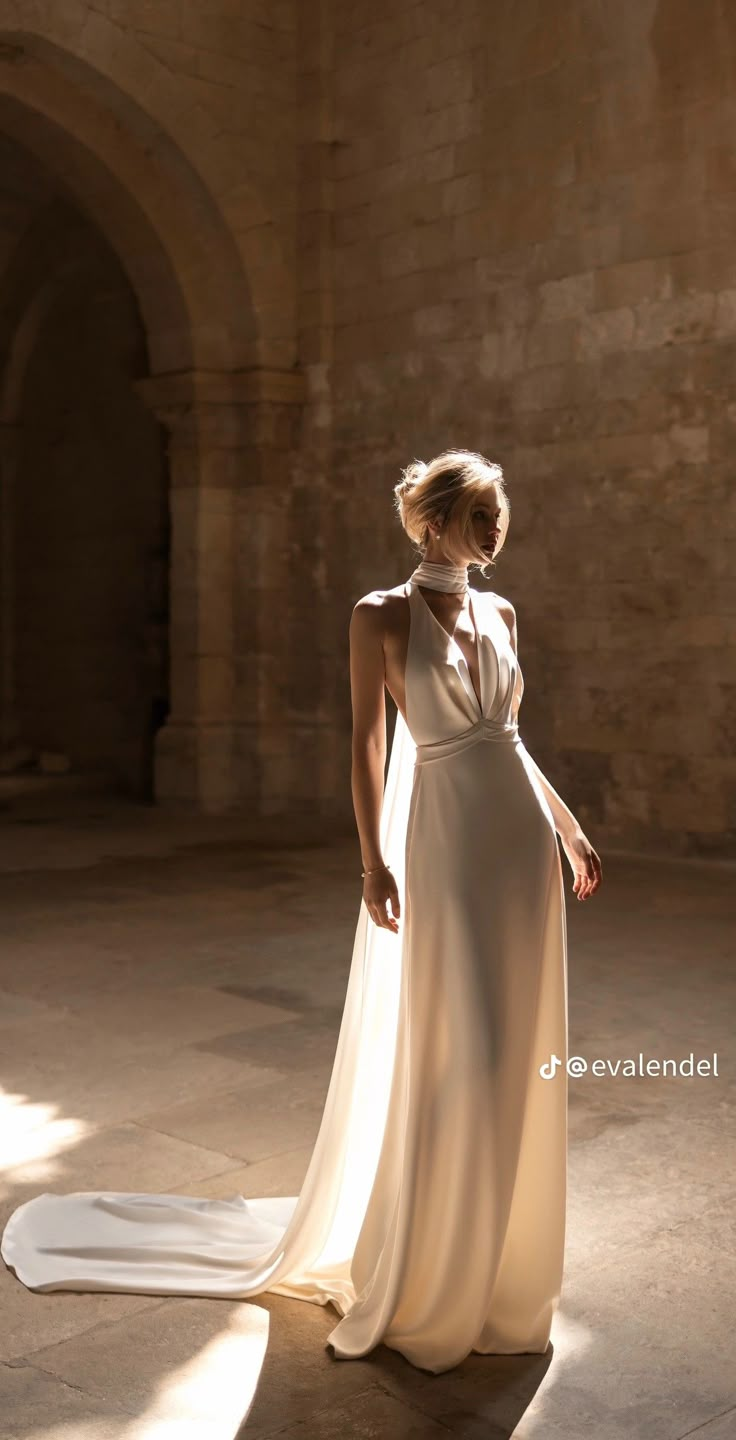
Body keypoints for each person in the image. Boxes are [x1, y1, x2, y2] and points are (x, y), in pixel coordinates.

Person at [1, 449, 601, 1377]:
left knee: (517, 1051)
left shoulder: (502, 610)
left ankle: (500, 1273)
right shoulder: (379, 615)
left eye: (501, 514)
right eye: (481, 514)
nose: (496, 531)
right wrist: (372, 859)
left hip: (518, 856)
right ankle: (430, 1269)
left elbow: (511, 740)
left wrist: (565, 829)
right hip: (443, 846)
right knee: (458, 1045)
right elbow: (367, 748)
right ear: (434, 519)